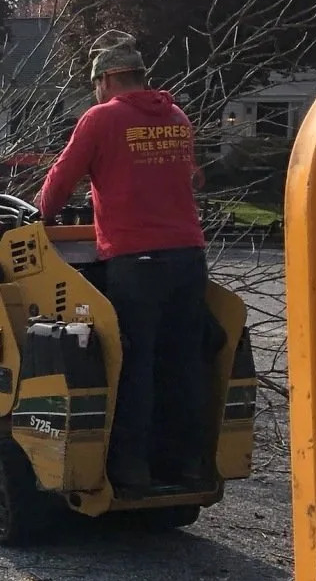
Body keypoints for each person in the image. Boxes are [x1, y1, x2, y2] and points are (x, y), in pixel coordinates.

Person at [38, 36, 209, 494]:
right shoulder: (175, 117)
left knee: (131, 362)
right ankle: (186, 464)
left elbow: (64, 175)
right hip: (189, 257)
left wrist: (43, 212)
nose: (95, 92)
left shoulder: (103, 117)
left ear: (108, 78)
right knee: (182, 362)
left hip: (137, 260)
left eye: (96, 83)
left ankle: (130, 470)